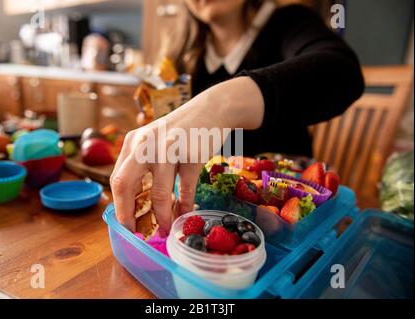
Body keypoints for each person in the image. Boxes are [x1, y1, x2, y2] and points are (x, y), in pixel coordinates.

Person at [111, 0, 364, 233]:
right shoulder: (182, 54)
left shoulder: (288, 22)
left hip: (286, 228)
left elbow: (342, 73)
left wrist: (220, 104)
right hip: (213, 214)